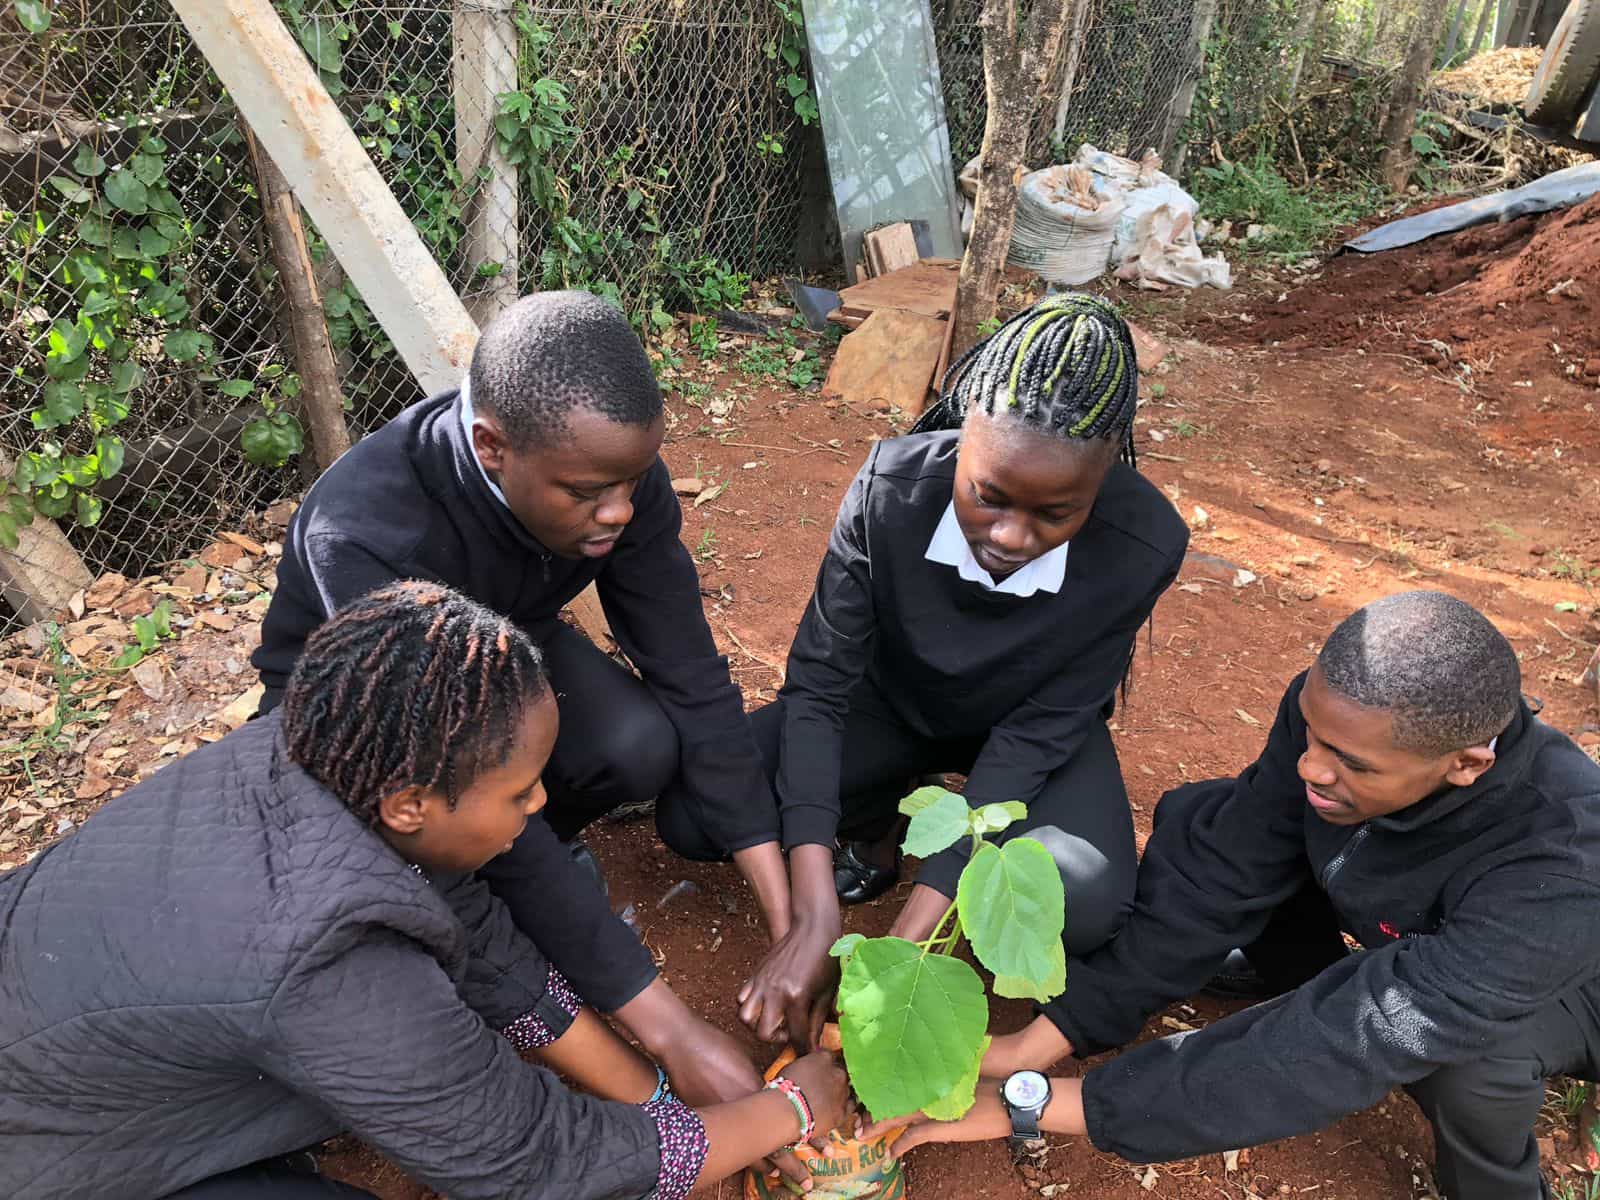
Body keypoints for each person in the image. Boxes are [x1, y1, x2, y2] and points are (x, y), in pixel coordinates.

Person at [0, 582, 852, 1200]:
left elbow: (469, 926)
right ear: (409, 804)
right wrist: (787, 1111)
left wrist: (657, 1077)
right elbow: (532, 1164)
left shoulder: (302, 749)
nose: (543, 803)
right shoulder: (331, 971)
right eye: (519, 793)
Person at [864, 591, 1600, 1200]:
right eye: (1309, 732)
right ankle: (1290, 976)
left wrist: (1039, 1104)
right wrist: (1045, 1037)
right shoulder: (1342, 729)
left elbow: (1364, 1029)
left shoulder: (1560, 859)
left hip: (1566, 994)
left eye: (1349, 764)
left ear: (1467, 764)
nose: (1311, 765)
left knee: (1468, 1062)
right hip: (1414, 929)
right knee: (1209, 820)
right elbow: (1229, 868)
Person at [251, 291, 783, 1101]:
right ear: (492, 446)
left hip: (504, 656)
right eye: (586, 494)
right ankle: (497, 873)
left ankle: (527, 855)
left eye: (633, 482)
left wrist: (788, 919)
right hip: (363, 715)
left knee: (636, 746)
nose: (619, 512)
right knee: (425, 863)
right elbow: (462, 769)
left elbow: (691, 673)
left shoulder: (606, 471)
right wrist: (670, 1032)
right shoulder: (365, 532)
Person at [660, 294, 1189, 1045]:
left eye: (1056, 514)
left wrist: (902, 953)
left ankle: (910, 838)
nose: (1010, 536)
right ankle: (873, 831)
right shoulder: (889, 491)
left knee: (1087, 898)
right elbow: (818, 690)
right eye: (989, 496)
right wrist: (813, 914)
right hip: (892, 706)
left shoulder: (1145, 543)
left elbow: (1037, 735)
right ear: (964, 428)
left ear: (1100, 481)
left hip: (1029, 733)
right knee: (696, 813)